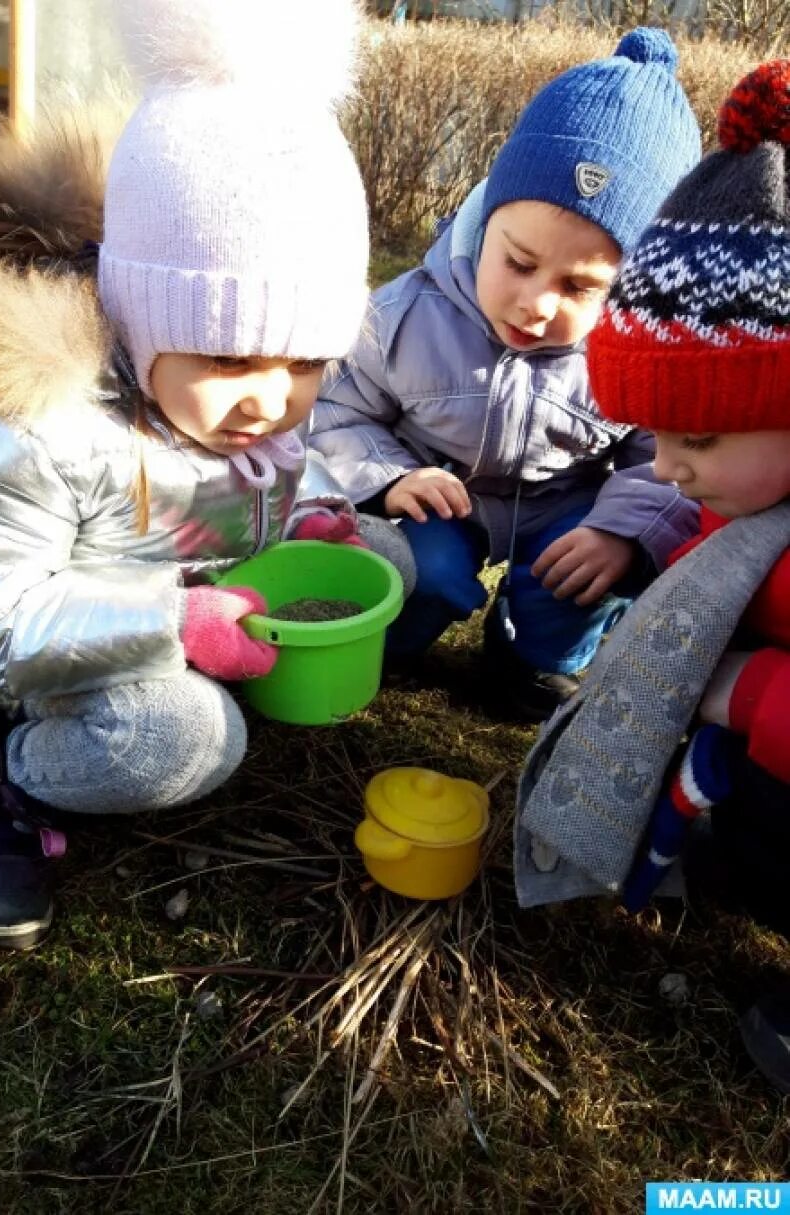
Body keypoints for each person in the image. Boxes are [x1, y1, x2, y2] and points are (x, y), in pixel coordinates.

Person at [0, 0, 413, 950]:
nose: (270, 399)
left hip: (198, 593)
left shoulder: (246, 395)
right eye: (227, 358)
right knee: (188, 739)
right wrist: (168, 626)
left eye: (304, 364)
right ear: (140, 315)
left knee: (389, 558)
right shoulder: (39, 423)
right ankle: (13, 773)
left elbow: (279, 469)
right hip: (68, 651)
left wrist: (316, 513)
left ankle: (208, 666)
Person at [309, 28, 701, 721]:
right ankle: (393, 641)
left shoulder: (644, 353)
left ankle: (534, 661)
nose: (536, 302)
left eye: (581, 288)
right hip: (440, 496)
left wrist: (622, 531)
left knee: (577, 578)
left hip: (566, 507)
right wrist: (394, 477)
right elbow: (335, 412)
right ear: (482, 222)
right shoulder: (403, 315)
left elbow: (669, 463)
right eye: (518, 262)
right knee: (425, 573)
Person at [585, 59, 790, 1092]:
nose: (668, 464)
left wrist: (735, 686)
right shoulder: (748, 485)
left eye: (694, 436)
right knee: (743, 837)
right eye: (656, 436)